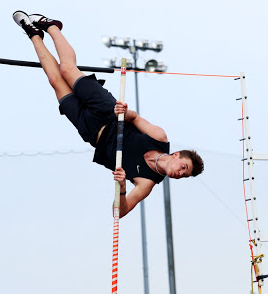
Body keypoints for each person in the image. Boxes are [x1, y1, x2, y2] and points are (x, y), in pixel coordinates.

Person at [12, 11, 204, 218]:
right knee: (67, 70)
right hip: (107, 111)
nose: (180, 173)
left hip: (91, 132)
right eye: (184, 167)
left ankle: (32, 33)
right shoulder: (159, 137)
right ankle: (51, 26)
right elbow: (135, 118)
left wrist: (121, 187)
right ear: (177, 155)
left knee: (55, 82)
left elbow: (118, 213)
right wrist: (125, 112)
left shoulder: (146, 183)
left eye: (184, 175)